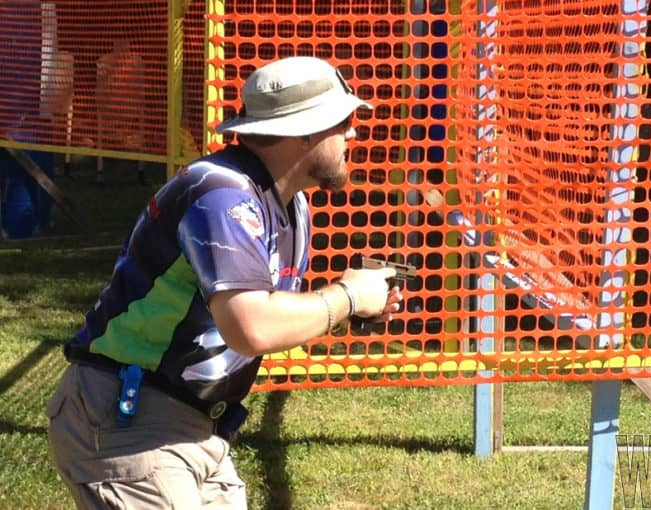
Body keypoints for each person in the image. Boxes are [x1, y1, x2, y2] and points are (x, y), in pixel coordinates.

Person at [45, 56, 403, 509]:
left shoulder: (291, 205)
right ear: (305, 131)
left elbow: (269, 313)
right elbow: (251, 326)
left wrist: (358, 307)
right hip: (130, 424)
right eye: (345, 120)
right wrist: (347, 297)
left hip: (193, 428)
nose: (354, 132)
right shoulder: (222, 195)